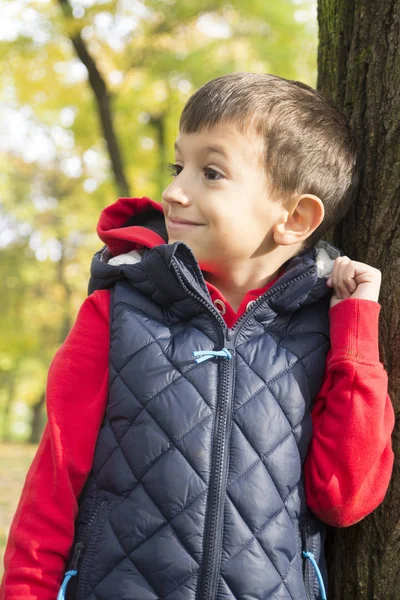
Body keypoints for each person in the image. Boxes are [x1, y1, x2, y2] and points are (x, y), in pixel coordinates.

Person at [0, 72, 394, 600]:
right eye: (178, 166)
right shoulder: (116, 313)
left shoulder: (323, 331)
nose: (173, 191)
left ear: (295, 218)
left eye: (210, 172)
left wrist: (356, 331)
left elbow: (345, 496)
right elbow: (52, 488)